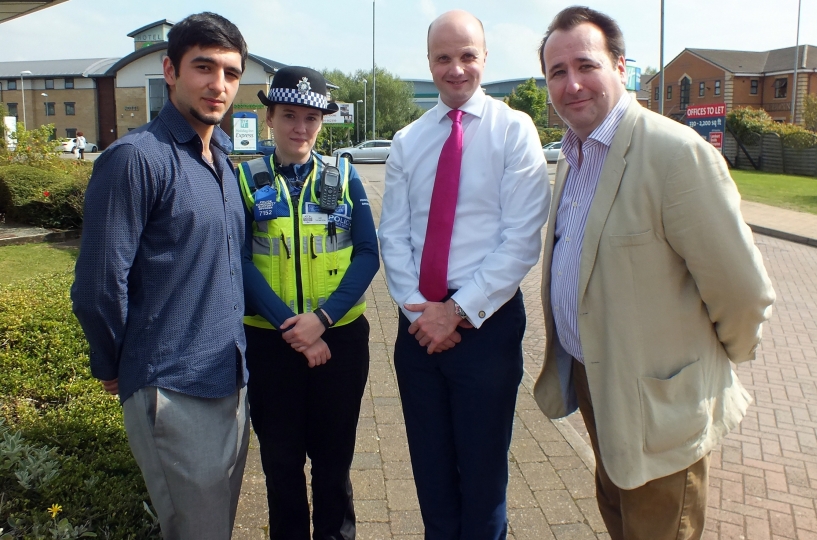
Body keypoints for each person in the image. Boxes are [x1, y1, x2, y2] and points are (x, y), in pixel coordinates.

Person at [532, 7, 776, 539]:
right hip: (595, 384)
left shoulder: (675, 154)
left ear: (621, 67)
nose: (571, 83)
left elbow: (744, 293)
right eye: (556, 71)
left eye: (585, 64)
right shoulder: (572, 157)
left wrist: (700, 377)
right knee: (619, 520)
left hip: (663, 406)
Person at [70, 12, 249, 539]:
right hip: (172, 385)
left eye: (232, 73)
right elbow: (98, 285)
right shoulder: (135, 160)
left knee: (217, 526)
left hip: (231, 379)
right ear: (170, 71)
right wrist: (114, 364)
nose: (219, 85)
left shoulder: (221, 159)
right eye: (204, 67)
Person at [377, 10, 550, 539]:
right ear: (429, 63)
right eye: (443, 58)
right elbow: (395, 235)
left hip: (486, 324)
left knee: (482, 477)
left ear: (485, 58)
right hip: (419, 327)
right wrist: (419, 309)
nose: (456, 69)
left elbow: (522, 238)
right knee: (430, 475)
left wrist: (455, 312)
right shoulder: (408, 140)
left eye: (467, 56)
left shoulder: (514, 130)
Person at [236, 66, 379, 540]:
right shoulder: (245, 179)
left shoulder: (344, 175)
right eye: (290, 116)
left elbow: (367, 254)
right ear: (269, 117)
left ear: (323, 122)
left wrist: (321, 320)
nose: (301, 128)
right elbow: (238, 262)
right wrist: (292, 329)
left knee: (334, 464)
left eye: (312, 118)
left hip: (339, 341)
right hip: (271, 344)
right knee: (281, 464)